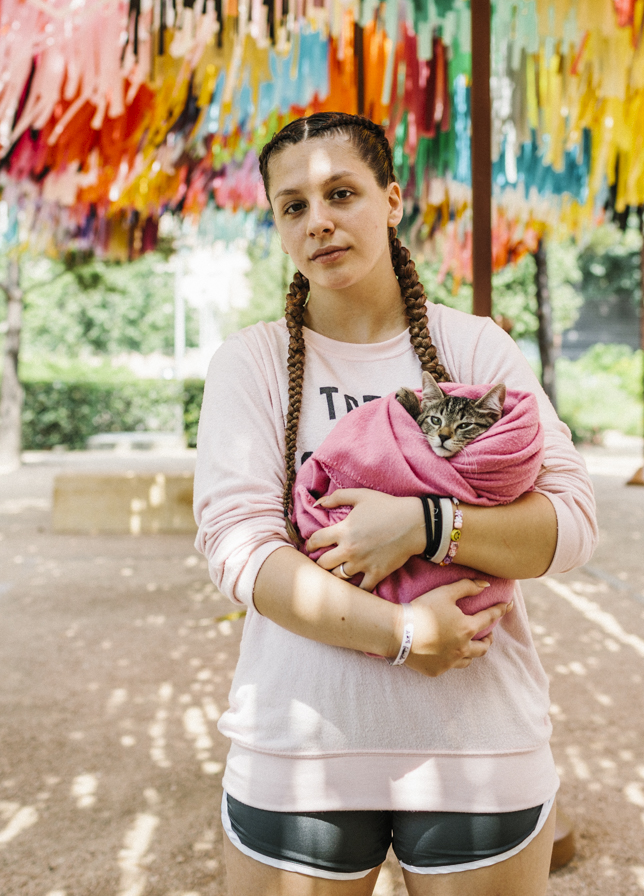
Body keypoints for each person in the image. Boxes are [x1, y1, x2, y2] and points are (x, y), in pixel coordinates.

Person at [194, 112, 598, 895]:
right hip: (299, 752)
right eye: (293, 205)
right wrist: (407, 632)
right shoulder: (251, 364)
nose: (319, 221)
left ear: (392, 200)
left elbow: (573, 523)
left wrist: (426, 523)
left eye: (340, 193)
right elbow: (240, 552)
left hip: (479, 749)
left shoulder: (473, 346)